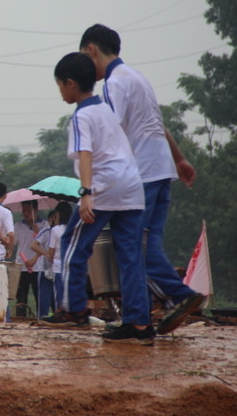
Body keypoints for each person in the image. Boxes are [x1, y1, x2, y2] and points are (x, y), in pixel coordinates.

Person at [80, 23, 204, 334]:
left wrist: (94, 184)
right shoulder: (137, 78)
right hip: (161, 169)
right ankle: (140, 316)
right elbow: (158, 124)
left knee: (132, 245)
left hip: (142, 174)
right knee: (144, 243)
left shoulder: (114, 84)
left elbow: (111, 133)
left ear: (92, 50)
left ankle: (166, 301)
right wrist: (179, 159)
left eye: (84, 57)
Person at [41, 52, 152, 345]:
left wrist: (86, 194)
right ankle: (139, 323)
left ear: (70, 83)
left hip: (103, 187)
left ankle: (73, 309)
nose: (60, 92)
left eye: (60, 85)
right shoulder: (106, 109)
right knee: (130, 256)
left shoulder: (82, 115)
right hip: (131, 187)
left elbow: (86, 154)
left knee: (72, 244)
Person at [13, 200, 49, 317]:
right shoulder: (18, 225)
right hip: (22, 265)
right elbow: (14, 242)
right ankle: (20, 319)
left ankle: (41, 318)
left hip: (38, 267)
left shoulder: (45, 225)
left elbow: (46, 246)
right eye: (24, 211)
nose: (26, 214)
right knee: (21, 297)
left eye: (29, 211)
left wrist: (37, 232)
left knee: (39, 296)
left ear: (36, 210)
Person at [29, 210, 56, 318]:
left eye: (55, 218)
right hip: (45, 269)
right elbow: (34, 245)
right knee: (44, 299)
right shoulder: (46, 231)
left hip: (58, 269)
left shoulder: (63, 231)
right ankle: (42, 319)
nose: (53, 221)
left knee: (56, 300)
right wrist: (46, 253)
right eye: (51, 219)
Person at [47, 202, 72, 308]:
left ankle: (60, 314)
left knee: (59, 297)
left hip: (58, 268)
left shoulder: (55, 230)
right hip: (71, 267)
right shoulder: (74, 229)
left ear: (59, 214)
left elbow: (51, 251)